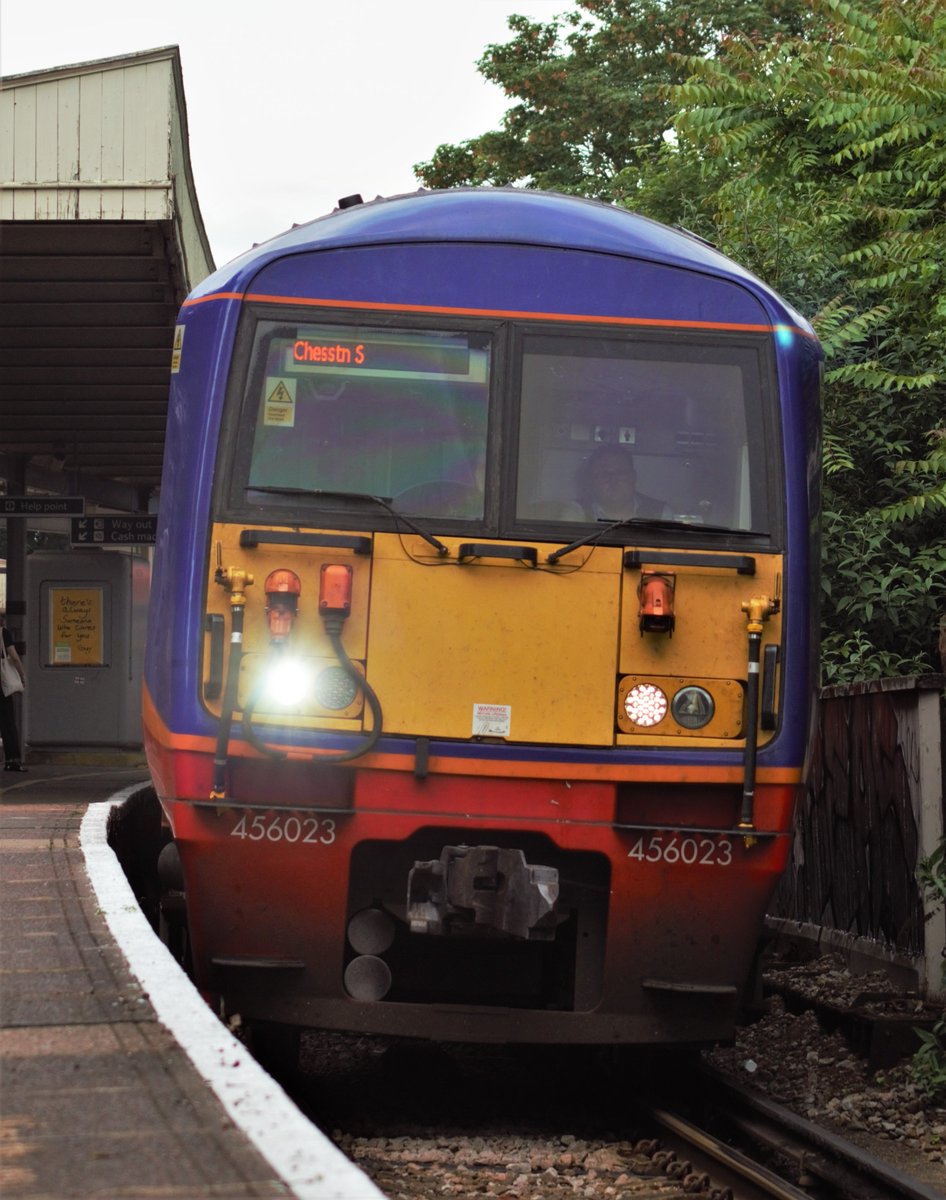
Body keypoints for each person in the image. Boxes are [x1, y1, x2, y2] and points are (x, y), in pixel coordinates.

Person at [576, 444, 673, 521]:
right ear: (592, 481)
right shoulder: (575, 512)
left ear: (633, 477)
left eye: (620, 473)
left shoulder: (659, 514)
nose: (613, 480)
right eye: (604, 474)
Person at [0, 617, 27, 772]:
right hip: (2, 685)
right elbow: (14, 657)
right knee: (8, 722)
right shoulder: (3, 633)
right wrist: (22, 675)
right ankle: (12, 760)